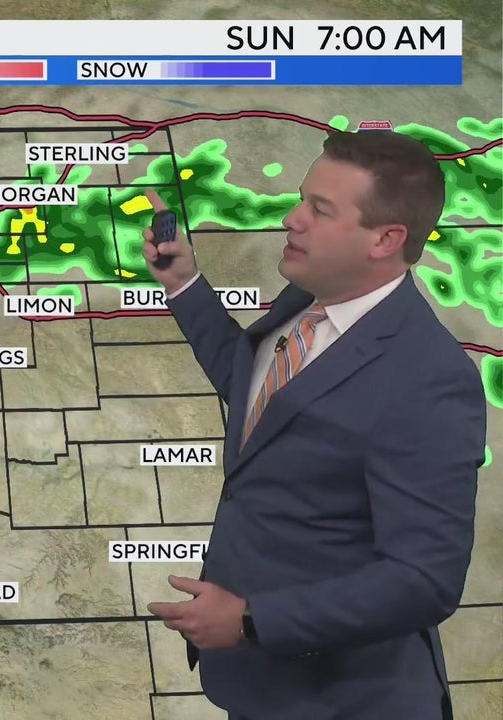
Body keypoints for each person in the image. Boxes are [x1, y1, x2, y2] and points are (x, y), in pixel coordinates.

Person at [141, 130, 487, 720]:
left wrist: (251, 620)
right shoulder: (307, 298)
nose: (292, 218)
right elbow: (261, 402)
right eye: (302, 199)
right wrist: (184, 285)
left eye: (319, 210)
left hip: (344, 700)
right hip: (265, 688)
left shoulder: (426, 380)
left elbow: (424, 580)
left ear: (385, 239)